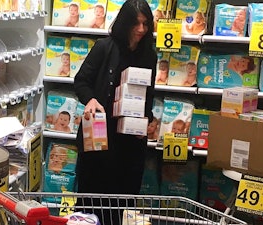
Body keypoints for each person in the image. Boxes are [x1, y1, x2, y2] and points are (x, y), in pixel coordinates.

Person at [73, 0, 157, 224]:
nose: (141, 29)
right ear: (124, 23)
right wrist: (90, 100)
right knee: (92, 198)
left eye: (146, 24)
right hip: (100, 136)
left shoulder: (149, 56)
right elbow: (81, 81)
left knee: (122, 201)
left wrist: (148, 121)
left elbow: (148, 95)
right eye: (136, 24)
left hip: (130, 142)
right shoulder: (104, 47)